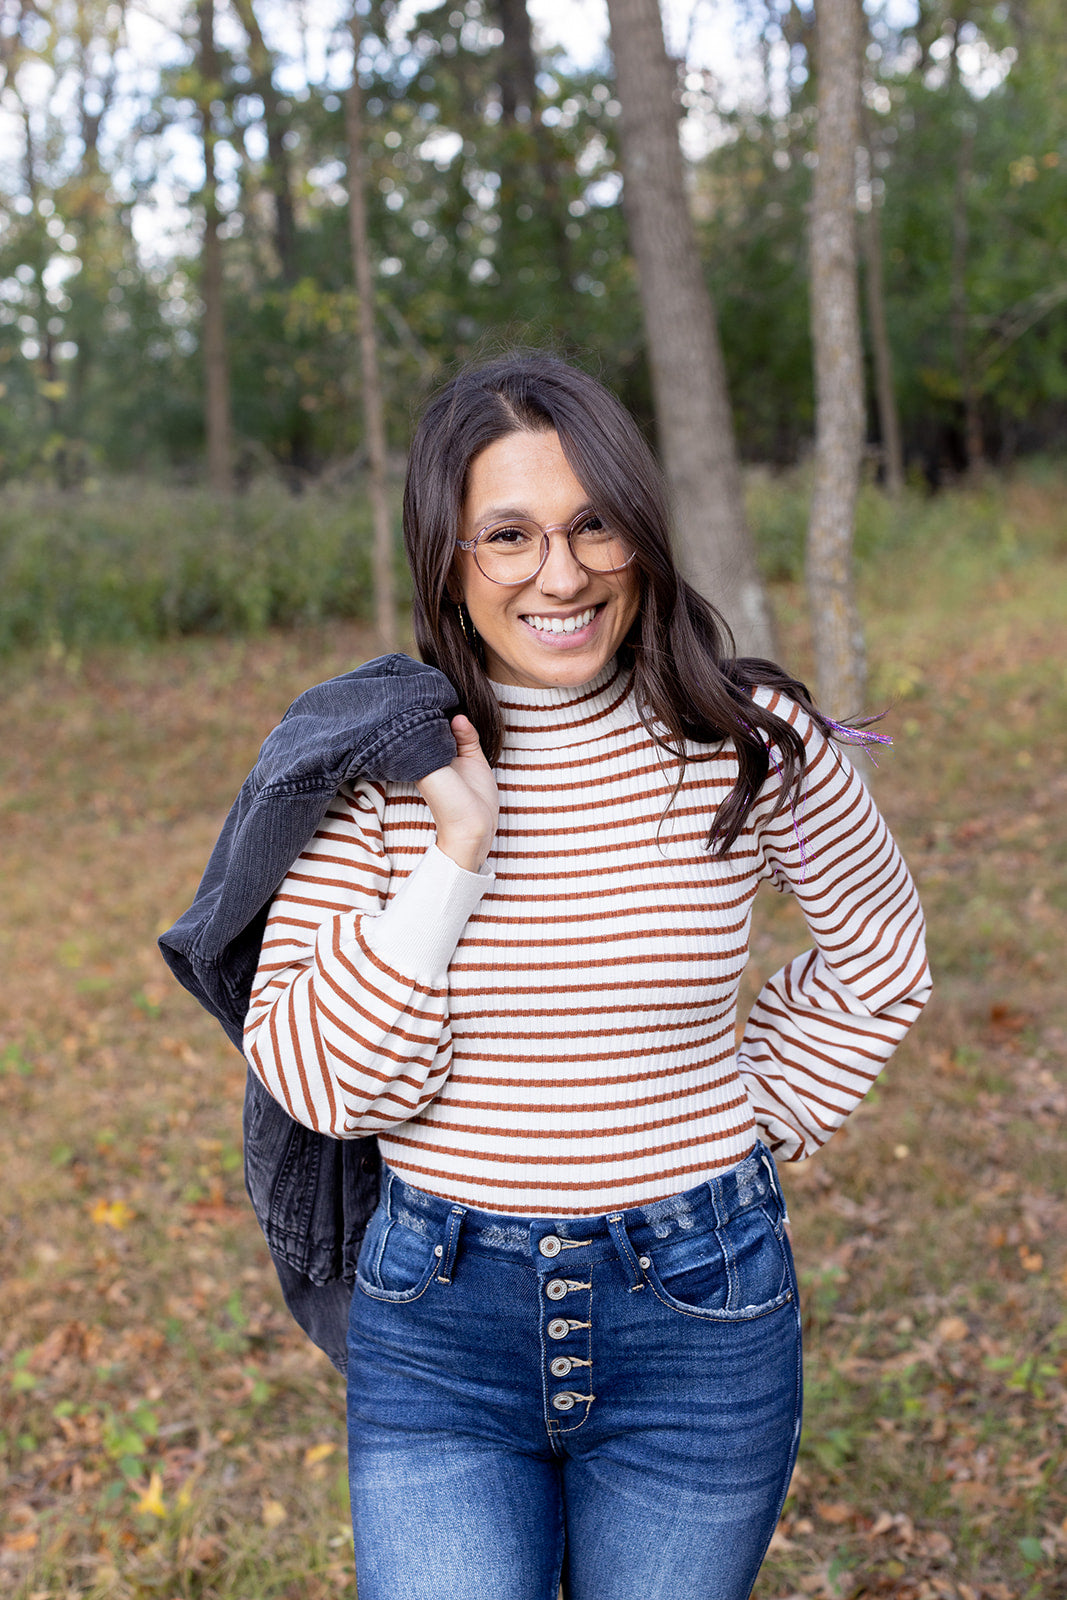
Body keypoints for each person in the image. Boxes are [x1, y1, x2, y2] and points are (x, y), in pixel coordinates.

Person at [242, 353, 931, 1600]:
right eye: (505, 534)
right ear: (446, 557)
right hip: (439, 1327)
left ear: (637, 530)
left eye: (590, 523)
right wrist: (455, 851)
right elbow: (325, 1082)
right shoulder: (377, 767)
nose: (558, 574)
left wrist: (745, 1116)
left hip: (699, 1317)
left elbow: (878, 957)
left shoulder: (748, 743)